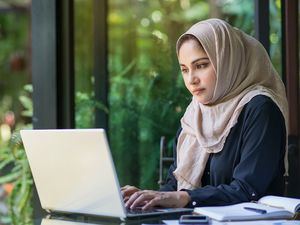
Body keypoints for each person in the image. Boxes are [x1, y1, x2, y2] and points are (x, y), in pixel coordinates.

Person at [121, 18, 288, 210]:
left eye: (201, 65)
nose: (191, 79)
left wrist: (184, 198)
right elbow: (175, 187)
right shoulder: (195, 114)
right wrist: (144, 197)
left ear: (227, 61)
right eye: (184, 69)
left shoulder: (260, 109)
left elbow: (247, 189)